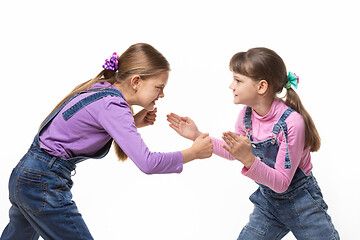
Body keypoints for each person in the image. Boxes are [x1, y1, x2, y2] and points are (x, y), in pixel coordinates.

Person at [1, 43, 213, 240]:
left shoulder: (102, 90)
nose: (162, 94)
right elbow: (147, 163)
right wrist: (193, 152)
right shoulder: (114, 107)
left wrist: (131, 122)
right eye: (159, 87)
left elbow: (82, 127)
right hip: (42, 182)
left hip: (25, 175)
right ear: (136, 81)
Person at [167, 47, 339, 239]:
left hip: (302, 204)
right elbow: (234, 152)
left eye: (238, 80)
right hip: (269, 204)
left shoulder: (292, 123)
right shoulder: (246, 116)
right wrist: (196, 135)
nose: (231, 86)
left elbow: (282, 183)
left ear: (261, 87)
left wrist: (249, 159)